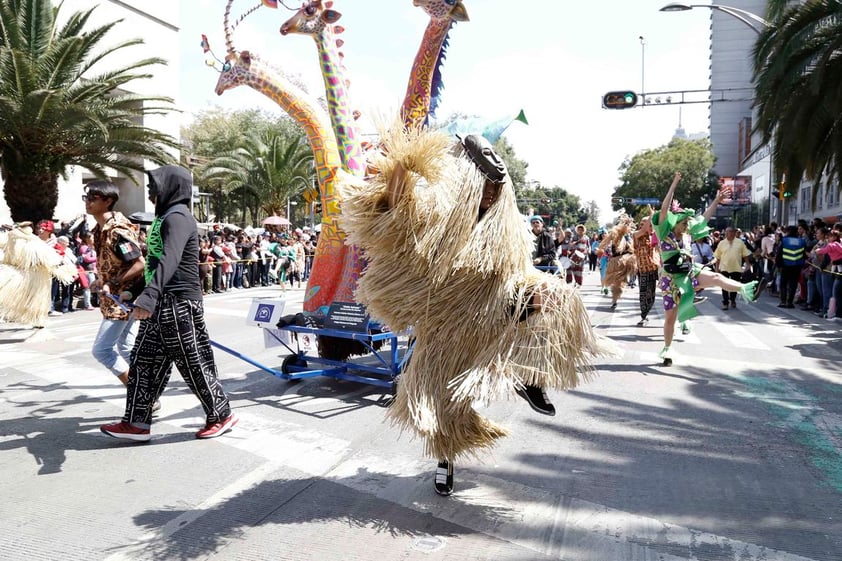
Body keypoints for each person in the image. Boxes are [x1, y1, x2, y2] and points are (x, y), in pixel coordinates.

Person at [340, 127, 609, 496]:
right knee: (444, 405)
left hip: (497, 305)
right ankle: (445, 461)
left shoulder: (506, 224)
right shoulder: (440, 213)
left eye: (497, 188)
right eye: (485, 185)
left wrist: (535, 292)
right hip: (447, 325)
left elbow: (520, 270)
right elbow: (394, 213)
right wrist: (400, 167)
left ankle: (528, 376)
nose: (491, 193)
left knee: (559, 299)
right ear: (468, 180)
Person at [100, 165, 237, 442]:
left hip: (178, 303)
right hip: (161, 302)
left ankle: (221, 415)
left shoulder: (178, 217)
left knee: (192, 362)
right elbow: (153, 263)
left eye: (155, 187)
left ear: (171, 188)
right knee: (143, 363)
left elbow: (170, 259)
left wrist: (148, 296)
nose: (151, 193)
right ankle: (137, 423)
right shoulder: (165, 218)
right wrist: (135, 291)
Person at [652, 172, 765, 366]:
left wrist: (717, 201)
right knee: (670, 317)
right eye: (684, 222)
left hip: (688, 272)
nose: (687, 224)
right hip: (671, 279)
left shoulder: (688, 234)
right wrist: (674, 183)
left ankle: (748, 290)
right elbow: (664, 208)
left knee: (716, 278)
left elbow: (703, 218)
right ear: (674, 222)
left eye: (688, 222)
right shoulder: (664, 232)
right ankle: (668, 349)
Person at [84, 180, 150, 395]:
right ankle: (149, 388)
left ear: (108, 201)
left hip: (121, 300)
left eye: (93, 197)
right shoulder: (101, 229)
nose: (88, 201)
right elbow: (113, 263)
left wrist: (112, 283)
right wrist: (100, 279)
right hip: (116, 299)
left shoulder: (117, 231)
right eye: (86, 196)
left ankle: (142, 394)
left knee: (102, 350)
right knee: (126, 347)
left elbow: (139, 263)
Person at [598, 215, 636, 310]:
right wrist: (601, 248)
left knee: (620, 283)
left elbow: (633, 249)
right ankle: (614, 300)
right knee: (616, 283)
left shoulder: (630, 237)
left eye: (627, 224)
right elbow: (605, 243)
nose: (626, 226)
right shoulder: (614, 234)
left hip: (625, 262)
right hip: (616, 262)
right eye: (624, 224)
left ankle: (616, 298)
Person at [714, 227, 752, 310]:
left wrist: (748, 265)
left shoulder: (740, 242)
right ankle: (725, 302)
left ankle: (733, 299)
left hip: (736, 267)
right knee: (724, 285)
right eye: (727, 232)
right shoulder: (721, 243)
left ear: (734, 233)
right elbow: (718, 257)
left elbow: (745, 254)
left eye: (730, 232)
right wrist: (717, 268)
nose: (728, 234)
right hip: (724, 267)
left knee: (734, 285)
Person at [633, 212, 659, 326]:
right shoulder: (636, 235)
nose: (650, 227)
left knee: (652, 295)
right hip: (643, 270)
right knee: (643, 294)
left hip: (654, 268)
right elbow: (643, 231)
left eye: (651, 225)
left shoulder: (653, 236)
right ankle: (644, 316)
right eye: (649, 225)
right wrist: (651, 216)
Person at [776, 225, 806, 309]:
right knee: (793, 284)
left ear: (788, 231)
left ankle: (783, 301)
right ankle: (790, 302)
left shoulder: (784, 240)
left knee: (784, 284)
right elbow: (804, 254)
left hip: (785, 265)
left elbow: (779, 254)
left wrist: (778, 265)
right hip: (797, 266)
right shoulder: (802, 241)